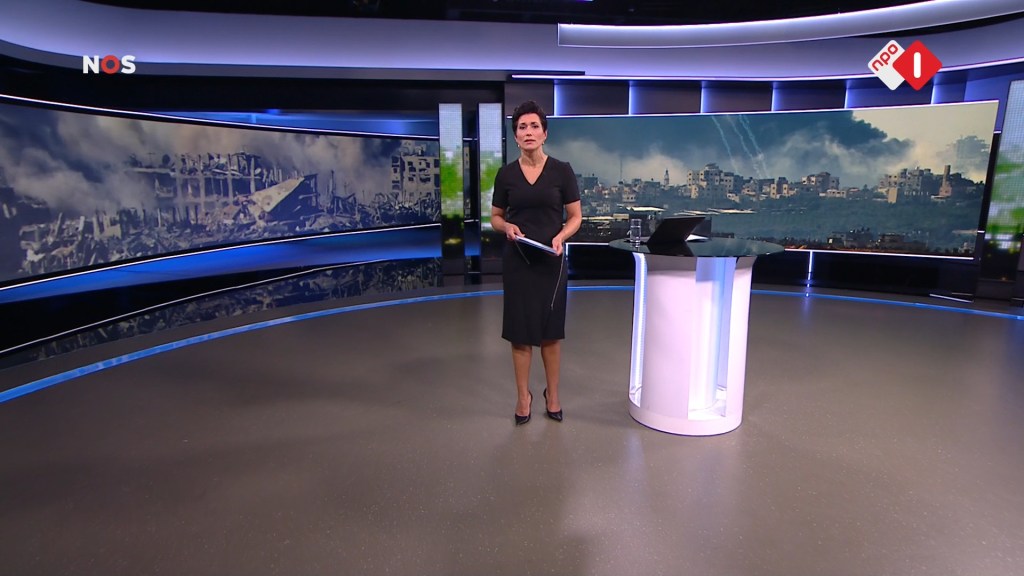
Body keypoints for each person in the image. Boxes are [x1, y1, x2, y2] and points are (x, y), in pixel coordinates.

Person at [491, 100, 582, 426]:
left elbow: (575, 217)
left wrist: (561, 236)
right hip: (518, 261)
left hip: (551, 262)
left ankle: (552, 395)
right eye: (521, 127)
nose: (528, 132)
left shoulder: (562, 171)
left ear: (544, 133)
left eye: (534, 126)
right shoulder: (506, 175)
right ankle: (523, 397)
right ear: (516, 136)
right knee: (520, 333)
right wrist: (506, 227)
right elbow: (495, 217)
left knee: (550, 334)